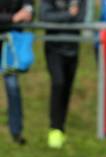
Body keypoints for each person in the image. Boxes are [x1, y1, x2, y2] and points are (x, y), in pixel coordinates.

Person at [40, 0, 86, 149]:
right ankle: (54, 128)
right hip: (54, 48)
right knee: (58, 83)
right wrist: (68, 14)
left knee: (67, 88)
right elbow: (44, 16)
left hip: (73, 49)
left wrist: (61, 17)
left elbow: (81, 17)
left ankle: (61, 128)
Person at [0, 0, 34, 145]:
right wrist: (12, 18)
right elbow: (16, 17)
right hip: (8, 36)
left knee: (13, 87)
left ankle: (16, 132)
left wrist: (28, 13)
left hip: (11, 44)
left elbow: (30, 10)